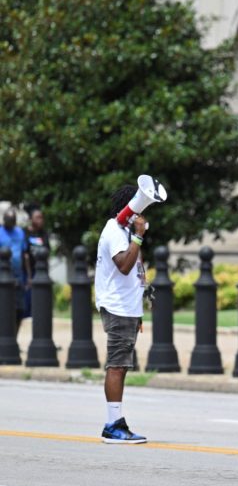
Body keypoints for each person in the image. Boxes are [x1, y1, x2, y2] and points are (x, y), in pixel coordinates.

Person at [94, 184, 150, 444]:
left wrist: (140, 303)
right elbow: (124, 266)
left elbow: (134, 270)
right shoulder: (115, 231)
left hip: (127, 309)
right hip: (117, 308)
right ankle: (112, 425)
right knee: (116, 365)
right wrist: (138, 237)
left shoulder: (124, 231)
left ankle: (115, 422)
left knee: (122, 365)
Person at [0, 208, 30, 332]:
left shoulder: (20, 232)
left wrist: (28, 276)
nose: (11, 223)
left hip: (18, 276)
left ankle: (14, 339)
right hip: (2, 276)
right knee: (3, 308)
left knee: (19, 309)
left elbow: (25, 255)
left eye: (13, 221)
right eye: (9, 221)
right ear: (4, 220)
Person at [24, 203, 51, 287]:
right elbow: (25, 255)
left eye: (41, 217)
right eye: (38, 218)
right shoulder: (25, 233)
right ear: (31, 219)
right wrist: (29, 277)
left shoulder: (44, 234)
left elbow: (47, 252)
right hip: (29, 273)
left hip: (42, 271)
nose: (41, 220)